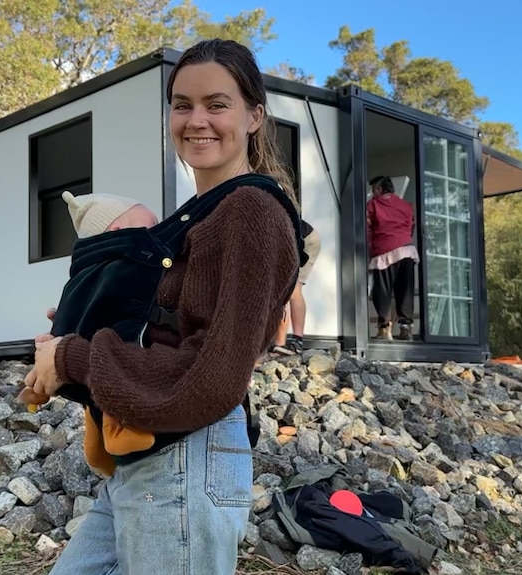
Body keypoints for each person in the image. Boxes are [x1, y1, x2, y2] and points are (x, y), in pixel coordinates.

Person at [21, 39, 302, 575]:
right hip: (148, 453)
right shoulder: (200, 213)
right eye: (182, 104)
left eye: (217, 104)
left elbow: (210, 377)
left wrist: (75, 357)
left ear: (254, 116)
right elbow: (171, 336)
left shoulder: (251, 212)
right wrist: (87, 324)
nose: (197, 120)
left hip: (185, 453)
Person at [19, 190, 160, 478]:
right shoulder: (128, 262)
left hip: (73, 348)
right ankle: (123, 432)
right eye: (151, 227)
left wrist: (61, 325)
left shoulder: (81, 270)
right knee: (115, 373)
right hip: (107, 351)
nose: (157, 235)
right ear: (119, 232)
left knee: (91, 397)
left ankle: (94, 445)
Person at [367, 176, 419, 341]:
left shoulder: (374, 204)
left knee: (382, 291)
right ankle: (406, 328)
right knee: (405, 292)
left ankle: (384, 329)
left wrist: (370, 249)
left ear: (380, 189)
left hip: (384, 251)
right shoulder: (406, 205)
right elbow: (411, 225)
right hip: (407, 250)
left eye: (374, 189)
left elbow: (367, 229)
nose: (372, 193)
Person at [272, 219, 321, 354]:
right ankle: (279, 343)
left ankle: (296, 340)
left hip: (306, 241)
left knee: (293, 289)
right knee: (282, 288)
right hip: (291, 240)